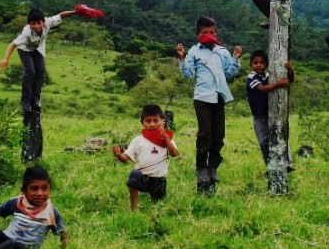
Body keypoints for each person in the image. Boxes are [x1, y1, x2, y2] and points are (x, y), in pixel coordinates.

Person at [0, 4, 104, 161]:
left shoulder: (48, 22)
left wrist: (75, 12)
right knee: (31, 72)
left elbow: (61, 14)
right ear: (29, 24)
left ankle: (36, 98)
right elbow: (12, 45)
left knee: (41, 73)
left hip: (38, 49)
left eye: (38, 23)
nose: (36, 26)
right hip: (25, 50)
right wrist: (5, 58)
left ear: (43, 22)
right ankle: (26, 100)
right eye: (33, 23)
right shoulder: (26, 33)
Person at [175, 16, 242, 192]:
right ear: (198, 35)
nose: (209, 35)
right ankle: (201, 168)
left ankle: (213, 166)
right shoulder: (194, 52)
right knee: (205, 133)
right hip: (202, 97)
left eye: (211, 32)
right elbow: (188, 74)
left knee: (219, 134)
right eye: (204, 32)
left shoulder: (223, 52)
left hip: (219, 96)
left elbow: (229, 72)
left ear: (216, 32)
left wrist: (236, 59)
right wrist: (181, 59)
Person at [112, 104, 180, 211]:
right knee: (134, 174)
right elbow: (125, 158)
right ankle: (134, 208)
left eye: (156, 120)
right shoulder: (138, 140)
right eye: (148, 121)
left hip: (159, 179)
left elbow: (174, 154)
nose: (152, 124)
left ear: (162, 121)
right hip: (143, 177)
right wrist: (119, 155)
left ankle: (155, 195)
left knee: (157, 204)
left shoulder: (167, 138)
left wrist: (166, 138)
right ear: (142, 122)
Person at [246, 50, 295, 170]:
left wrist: (290, 70)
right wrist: (279, 84)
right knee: (263, 141)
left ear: (267, 64)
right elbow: (262, 89)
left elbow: (289, 81)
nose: (258, 65)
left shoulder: (270, 76)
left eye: (262, 63)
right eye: (255, 62)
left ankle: (288, 162)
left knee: (280, 135)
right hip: (259, 116)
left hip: (272, 113)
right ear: (251, 65)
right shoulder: (251, 77)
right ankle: (270, 165)